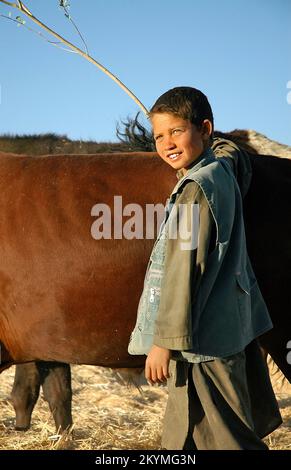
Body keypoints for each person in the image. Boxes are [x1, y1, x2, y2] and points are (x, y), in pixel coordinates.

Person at [128, 86, 282, 450]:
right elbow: (227, 151)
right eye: (158, 136)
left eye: (176, 131)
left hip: (201, 340)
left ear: (206, 128)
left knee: (224, 439)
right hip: (225, 332)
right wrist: (212, 144)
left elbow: (182, 272)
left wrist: (164, 343)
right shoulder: (222, 169)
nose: (166, 143)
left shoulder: (193, 192)